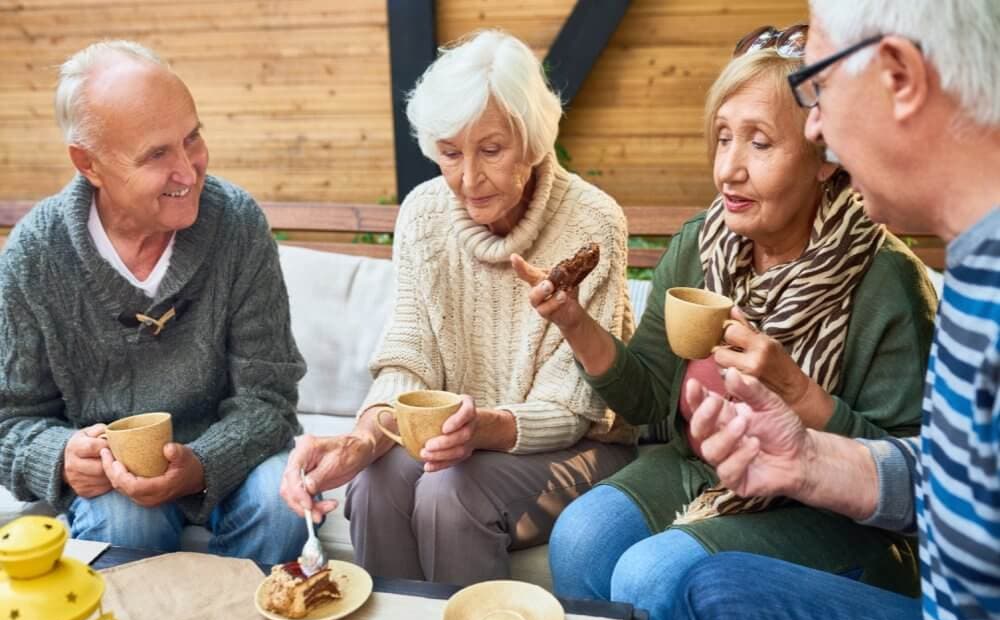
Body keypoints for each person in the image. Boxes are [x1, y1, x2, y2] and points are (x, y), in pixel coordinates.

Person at [518, 23, 939, 620]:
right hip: (701, 470)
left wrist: (796, 391)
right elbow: (651, 396)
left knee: (655, 574)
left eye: (759, 142)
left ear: (825, 156)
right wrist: (573, 320)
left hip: (831, 513)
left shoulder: (886, 282)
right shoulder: (701, 245)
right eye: (722, 137)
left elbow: (909, 483)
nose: (729, 169)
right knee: (582, 536)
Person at [669, 1, 1000, 620]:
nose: (815, 126)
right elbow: (961, 481)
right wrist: (810, 461)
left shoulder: (911, 281)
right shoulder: (976, 268)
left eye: (816, 88)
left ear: (898, 76)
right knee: (711, 601)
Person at [279, 30, 635, 585]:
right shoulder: (423, 214)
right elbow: (408, 357)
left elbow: (575, 405)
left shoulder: (592, 220)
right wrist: (363, 439)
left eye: (491, 150)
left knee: (450, 490)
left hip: (577, 444)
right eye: (449, 153)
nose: (469, 179)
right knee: (373, 482)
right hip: (459, 440)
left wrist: (484, 428)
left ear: (532, 138)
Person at [0, 41, 307, 564]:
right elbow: (11, 420)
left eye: (192, 138)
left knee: (279, 505)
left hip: (232, 454)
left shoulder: (237, 224)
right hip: (117, 485)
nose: (189, 171)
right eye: (156, 154)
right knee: (124, 517)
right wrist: (60, 457)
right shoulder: (35, 253)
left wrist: (202, 463)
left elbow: (269, 400)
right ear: (88, 163)